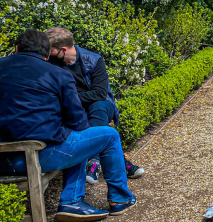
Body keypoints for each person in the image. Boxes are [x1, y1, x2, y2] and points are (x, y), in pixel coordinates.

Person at [0, 30, 137, 222]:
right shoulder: (58, 74)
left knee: (74, 137)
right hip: (36, 157)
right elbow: (78, 122)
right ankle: (117, 199)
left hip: (1, 160)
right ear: (47, 54)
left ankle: (74, 201)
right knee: (103, 136)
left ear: (16, 48)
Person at [46, 27, 144, 184]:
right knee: (89, 115)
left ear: (63, 49)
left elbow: (99, 93)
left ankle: (93, 160)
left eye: (51, 51)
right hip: (76, 108)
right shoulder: (53, 63)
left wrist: (71, 99)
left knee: (97, 107)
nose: (48, 54)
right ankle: (121, 163)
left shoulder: (93, 60)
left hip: (102, 104)